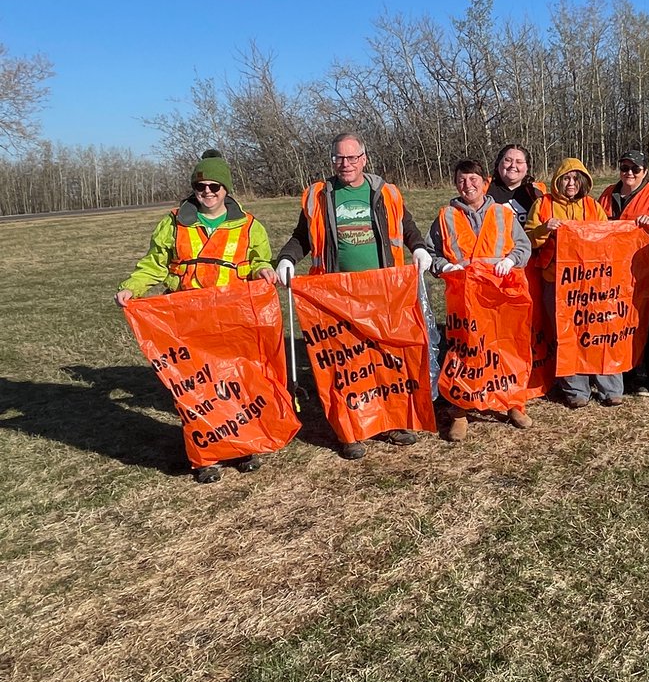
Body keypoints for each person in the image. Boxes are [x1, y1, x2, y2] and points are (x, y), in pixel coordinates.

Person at [115, 149, 278, 483]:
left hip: (232, 318)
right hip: (186, 318)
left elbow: (261, 260)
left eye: (214, 186)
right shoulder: (173, 223)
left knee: (235, 383)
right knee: (196, 388)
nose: (207, 192)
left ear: (226, 189)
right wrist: (132, 287)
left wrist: (263, 272)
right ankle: (206, 455)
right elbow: (154, 263)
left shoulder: (249, 226)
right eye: (201, 186)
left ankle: (243, 446)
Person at [275, 131, 434, 459]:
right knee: (347, 363)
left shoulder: (385, 192)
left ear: (364, 158)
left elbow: (407, 226)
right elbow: (302, 236)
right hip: (337, 294)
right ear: (332, 160)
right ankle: (350, 430)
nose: (345, 164)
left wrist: (417, 247)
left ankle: (390, 421)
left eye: (351, 157)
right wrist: (288, 258)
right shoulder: (318, 195)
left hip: (382, 291)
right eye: (338, 158)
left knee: (385, 358)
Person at [428, 159, 534, 440]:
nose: (468, 185)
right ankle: (460, 411)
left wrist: (511, 260)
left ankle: (513, 403)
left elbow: (524, 246)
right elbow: (430, 254)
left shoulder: (503, 214)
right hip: (463, 298)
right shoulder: (446, 216)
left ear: (485, 181)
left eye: (473, 179)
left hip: (500, 297)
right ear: (455, 183)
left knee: (506, 349)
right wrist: (444, 267)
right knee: (464, 354)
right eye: (462, 180)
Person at [526, 158, 622, 407]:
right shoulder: (543, 204)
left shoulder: (592, 206)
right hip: (555, 281)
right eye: (566, 178)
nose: (571, 183)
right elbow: (527, 240)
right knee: (564, 335)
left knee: (600, 331)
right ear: (558, 180)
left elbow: (607, 238)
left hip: (591, 283)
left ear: (583, 182)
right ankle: (576, 390)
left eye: (575, 179)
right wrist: (544, 229)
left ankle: (609, 388)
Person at [597, 149, 649, 395]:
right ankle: (624, 372)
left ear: (645, 172)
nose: (629, 173)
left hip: (645, 270)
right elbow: (594, 224)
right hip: (612, 270)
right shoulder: (608, 194)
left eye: (635, 169)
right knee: (618, 321)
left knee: (647, 321)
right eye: (624, 168)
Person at [486, 143, 547, 226]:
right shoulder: (484, 190)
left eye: (519, 162)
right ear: (498, 163)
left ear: (527, 168)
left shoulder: (536, 194)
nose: (513, 165)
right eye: (508, 160)